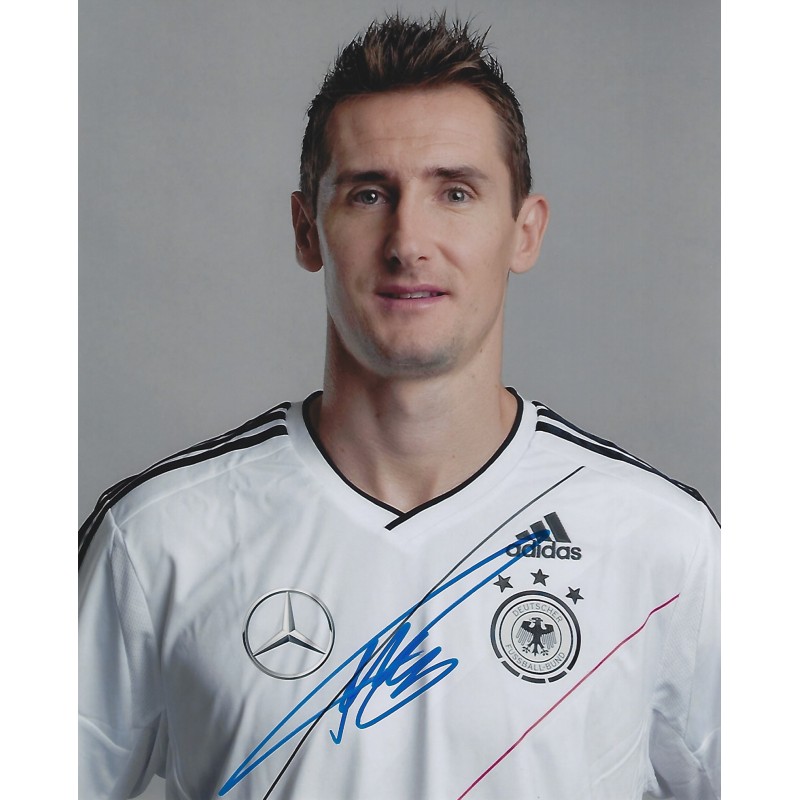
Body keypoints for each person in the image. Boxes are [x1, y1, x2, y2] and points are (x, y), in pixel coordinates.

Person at [78, 14, 720, 800]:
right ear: (307, 230)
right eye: (370, 193)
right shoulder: (159, 537)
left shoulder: (663, 544)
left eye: (455, 192)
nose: (408, 240)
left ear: (524, 232)